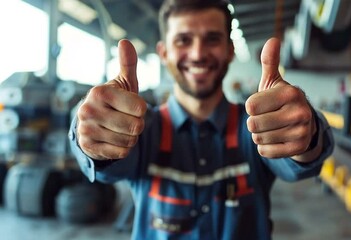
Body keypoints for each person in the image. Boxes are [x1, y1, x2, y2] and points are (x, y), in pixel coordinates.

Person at [68, 0, 334, 239]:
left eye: (212, 39)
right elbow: (107, 168)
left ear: (230, 50)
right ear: (163, 53)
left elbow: (301, 162)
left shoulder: (256, 126)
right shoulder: (141, 130)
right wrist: (91, 134)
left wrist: (307, 133)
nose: (197, 54)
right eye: (183, 40)